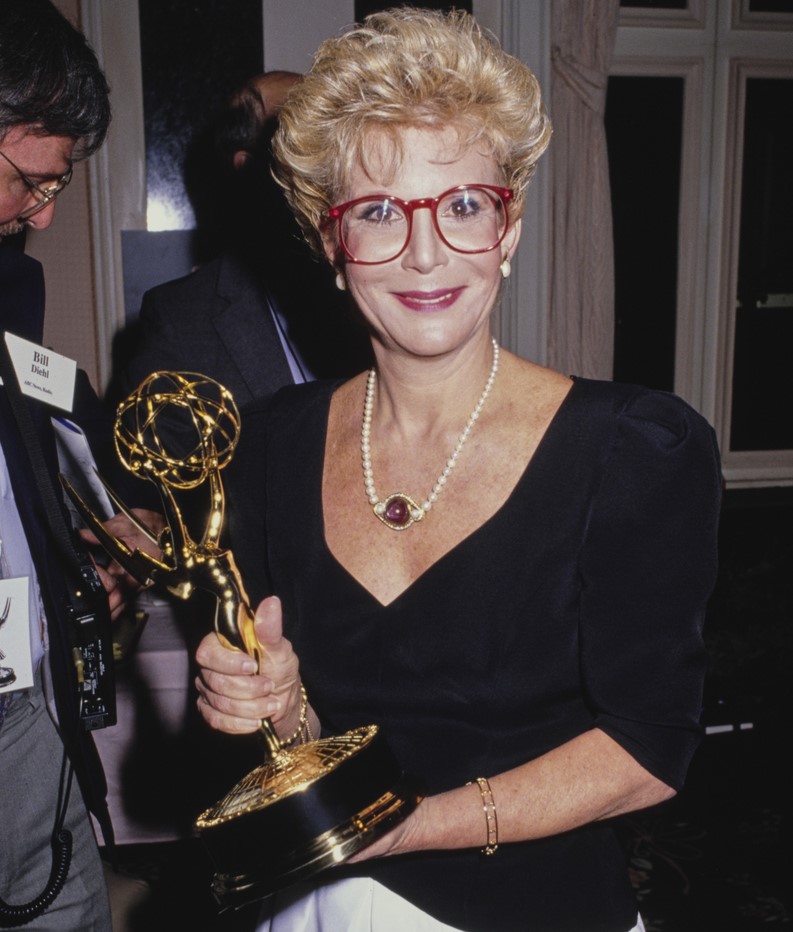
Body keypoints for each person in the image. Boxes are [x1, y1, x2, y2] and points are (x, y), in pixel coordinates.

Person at [194, 8, 722, 931]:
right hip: (322, 908)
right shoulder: (271, 443)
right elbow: (311, 748)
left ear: (508, 230)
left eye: (464, 205)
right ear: (331, 243)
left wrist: (405, 830)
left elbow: (647, 750)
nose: (426, 251)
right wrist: (274, 706)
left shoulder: (633, 448)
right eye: (379, 211)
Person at [0, 2, 157, 927]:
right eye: (32, 180)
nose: (47, 212)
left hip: (27, 704)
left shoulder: (14, 280)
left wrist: (76, 567)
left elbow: (26, 457)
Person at [115, 70, 371, 416]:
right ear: (249, 171)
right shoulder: (182, 323)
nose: (323, 165)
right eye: (301, 143)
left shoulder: (381, 283)